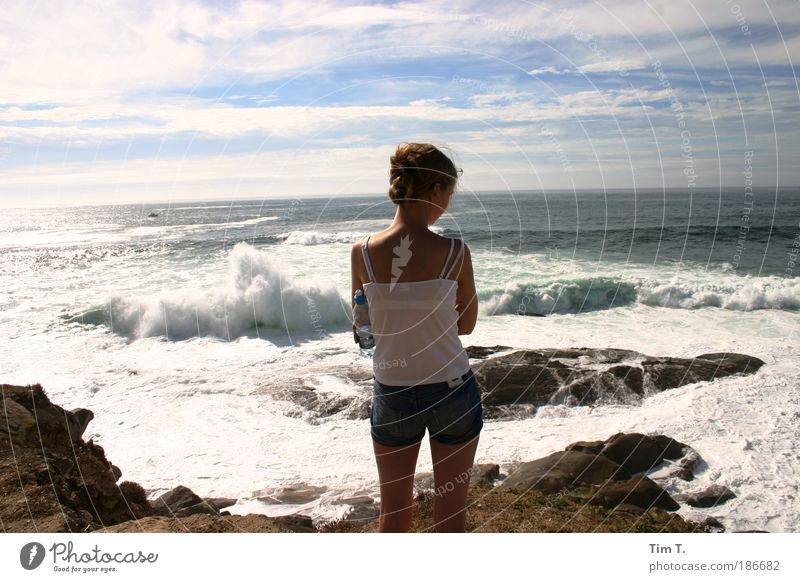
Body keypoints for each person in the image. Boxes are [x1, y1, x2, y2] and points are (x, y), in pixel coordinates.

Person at [350, 142, 482, 533]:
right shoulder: (456, 252)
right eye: (450, 195)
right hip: (452, 390)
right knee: (450, 516)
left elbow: (362, 329)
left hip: (393, 391)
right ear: (436, 191)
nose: (448, 204)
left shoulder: (363, 254)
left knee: (393, 517)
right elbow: (467, 324)